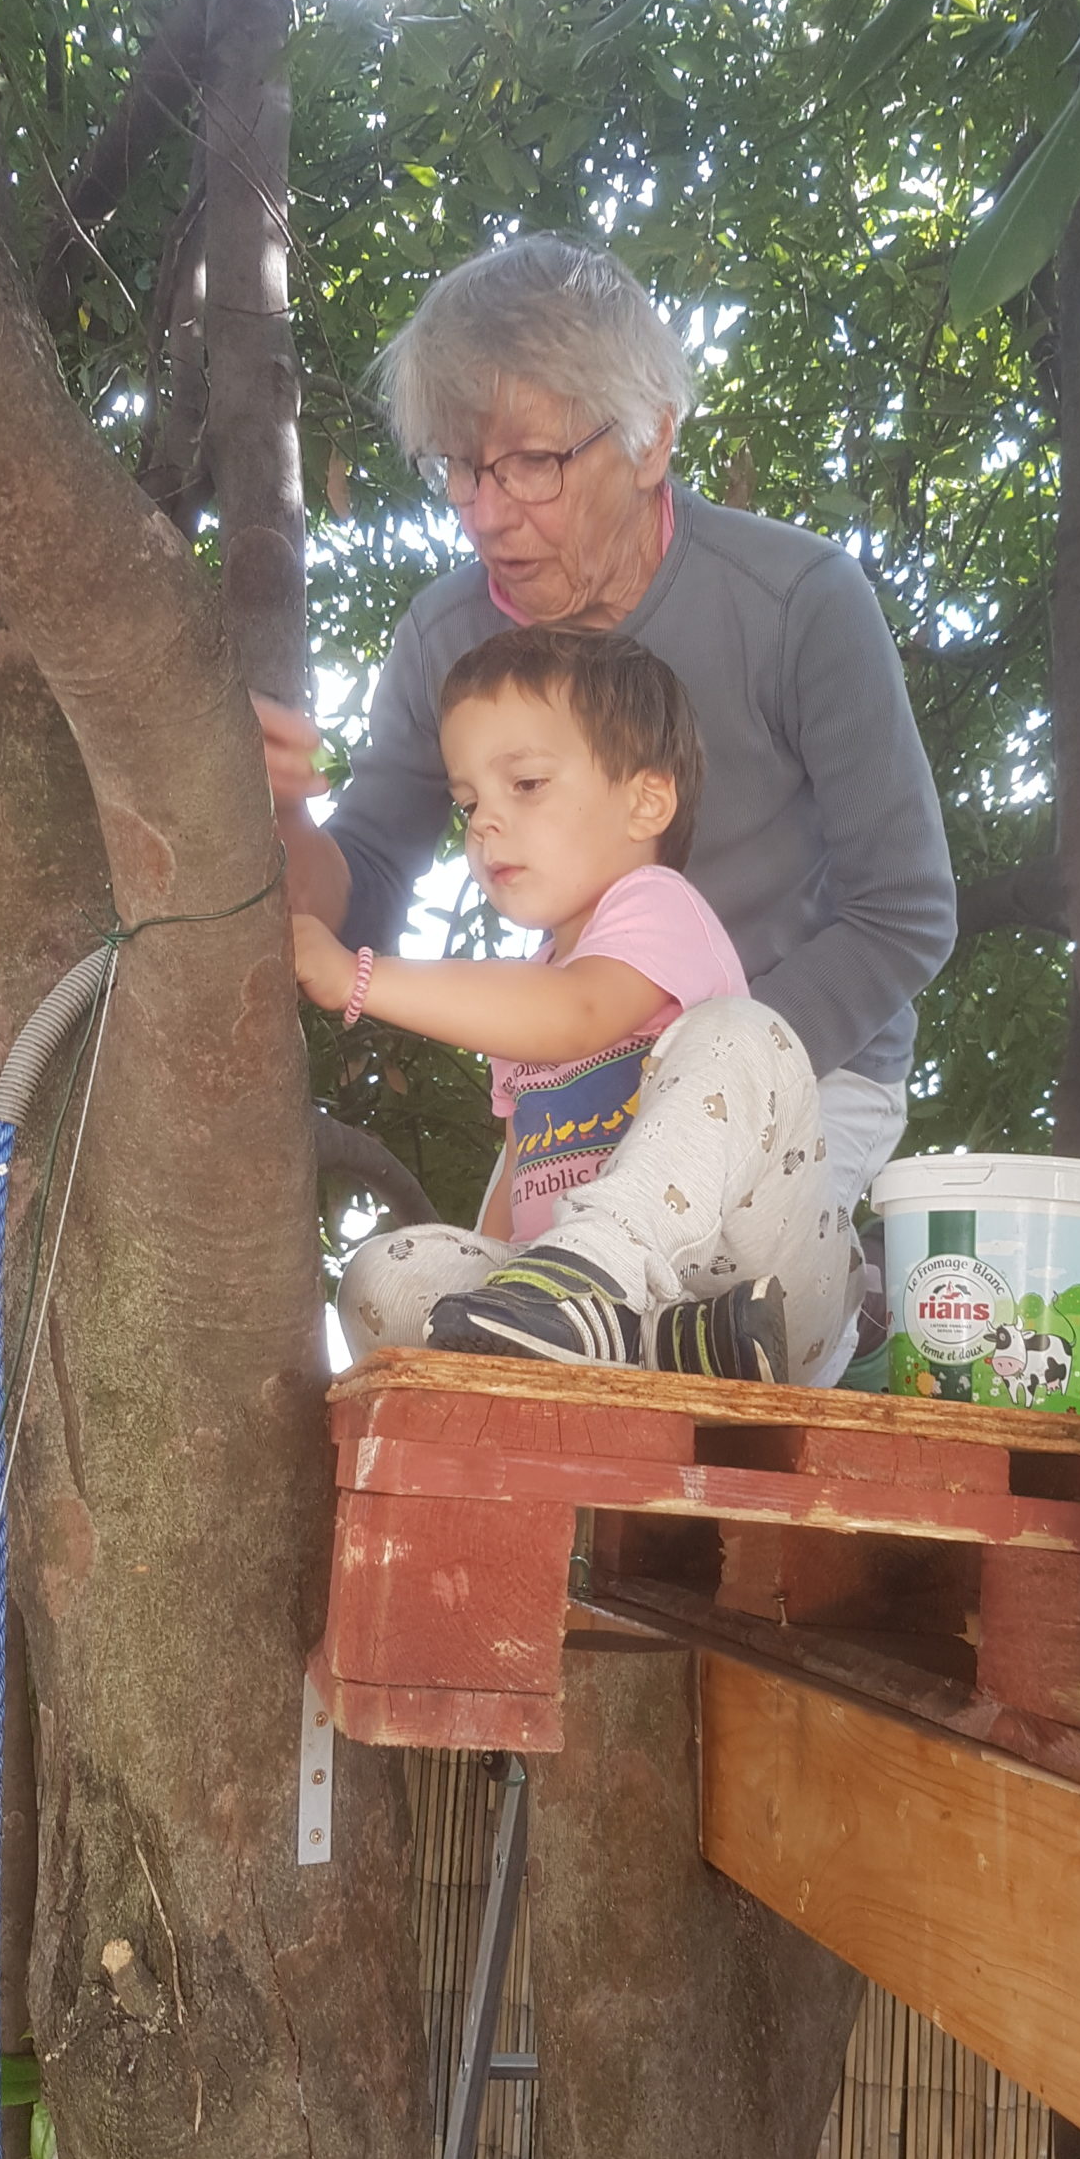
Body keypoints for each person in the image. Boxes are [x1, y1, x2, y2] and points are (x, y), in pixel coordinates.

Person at [263, 233, 956, 1381]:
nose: (485, 514)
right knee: (398, 1286)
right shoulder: (445, 637)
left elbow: (904, 913)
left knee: (723, 1047)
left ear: (652, 438)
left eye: (531, 463)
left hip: (791, 1073)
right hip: (572, 1106)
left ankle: (802, 1301)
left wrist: (675, 1074)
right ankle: (651, 1328)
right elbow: (364, 886)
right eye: (458, 469)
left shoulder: (796, 602)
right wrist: (278, 812)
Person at [290, 627, 862, 1383]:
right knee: (383, 1274)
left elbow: (575, 1014)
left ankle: (597, 1277)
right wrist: (488, 1278)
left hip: (764, 1294)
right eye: (468, 803)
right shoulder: (530, 995)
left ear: (646, 802)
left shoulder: (658, 907)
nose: (484, 822)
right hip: (651, 1337)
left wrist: (356, 978)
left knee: (747, 1033)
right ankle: (636, 1336)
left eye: (526, 784)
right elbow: (516, 1177)